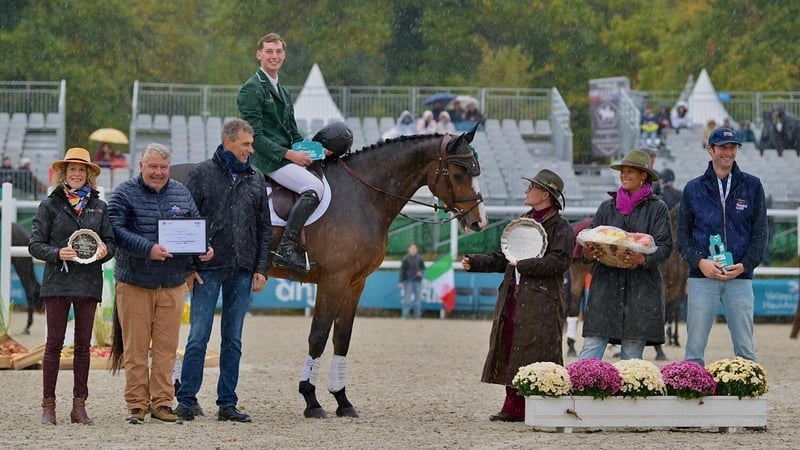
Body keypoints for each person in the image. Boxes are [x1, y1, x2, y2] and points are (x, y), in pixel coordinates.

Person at [108, 143, 214, 424]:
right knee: (136, 348)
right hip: (135, 283)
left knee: (167, 349)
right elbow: (116, 230)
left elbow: (194, 227)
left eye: (163, 167)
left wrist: (204, 248)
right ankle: (136, 404)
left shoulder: (181, 192)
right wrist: (148, 248)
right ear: (141, 165)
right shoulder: (123, 194)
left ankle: (163, 402)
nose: (158, 172)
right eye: (153, 166)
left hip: (171, 283)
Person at [175, 119, 271, 423]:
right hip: (207, 269)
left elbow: (264, 227)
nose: (250, 149)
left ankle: (227, 402)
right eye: (246, 144)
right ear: (227, 141)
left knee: (233, 338)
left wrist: (261, 267)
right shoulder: (202, 174)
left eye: (251, 144)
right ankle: (186, 400)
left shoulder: (257, 178)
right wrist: (189, 266)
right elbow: (187, 221)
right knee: (198, 336)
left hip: (243, 269)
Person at [462, 169, 573, 422]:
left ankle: (540, 404)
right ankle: (513, 404)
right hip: (514, 297)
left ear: (545, 194)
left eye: (531, 188)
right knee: (511, 345)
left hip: (543, 300)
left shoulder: (562, 228)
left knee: (538, 349)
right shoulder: (523, 221)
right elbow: (505, 257)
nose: (526, 191)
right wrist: (477, 262)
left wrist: (523, 264)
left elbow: (559, 262)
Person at [28, 147, 116, 425]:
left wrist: (105, 251)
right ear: (63, 174)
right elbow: (35, 244)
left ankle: (79, 405)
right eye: (72, 170)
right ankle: (48, 405)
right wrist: (56, 253)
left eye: (82, 170)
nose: (77, 174)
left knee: (82, 346)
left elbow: (111, 243)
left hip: (88, 282)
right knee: (53, 344)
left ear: (89, 174)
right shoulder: (49, 205)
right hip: (57, 282)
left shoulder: (100, 207)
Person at [677, 127, 768, 366]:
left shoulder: (753, 186)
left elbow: (760, 235)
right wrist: (700, 262)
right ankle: (692, 395)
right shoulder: (693, 189)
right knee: (694, 350)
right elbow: (683, 237)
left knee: (746, 350)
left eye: (732, 147)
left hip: (739, 277)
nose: (728, 152)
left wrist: (746, 264)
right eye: (722, 147)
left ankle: (748, 400)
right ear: (710, 149)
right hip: (702, 277)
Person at [237, 32, 323, 273]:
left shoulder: (283, 91)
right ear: (259, 55)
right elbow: (254, 137)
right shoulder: (252, 89)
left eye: (278, 52)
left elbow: (293, 133)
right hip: (267, 160)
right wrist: (290, 155)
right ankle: (287, 248)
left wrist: (318, 151)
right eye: (269, 51)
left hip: (284, 156)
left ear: (284, 55)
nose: (274, 56)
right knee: (314, 188)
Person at [579, 150, 672, 361]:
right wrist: (587, 252)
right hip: (605, 289)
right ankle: (581, 390)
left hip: (641, 289)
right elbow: (590, 240)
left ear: (643, 176)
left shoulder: (658, 209)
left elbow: (665, 246)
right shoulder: (606, 207)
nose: (624, 175)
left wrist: (645, 259)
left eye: (630, 172)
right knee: (590, 351)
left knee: (631, 359)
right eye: (623, 172)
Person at [398, 243, 426, 320]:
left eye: (414, 248)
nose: (413, 250)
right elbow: (402, 271)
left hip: (418, 281)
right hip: (408, 281)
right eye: (411, 248)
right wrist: (401, 281)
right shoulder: (405, 258)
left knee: (418, 300)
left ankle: (417, 316)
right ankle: (404, 315)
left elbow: (423, 269)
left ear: (416, 250)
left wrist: (421, 272)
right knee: (407, 299)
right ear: (409, 249)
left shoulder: (420, 258)